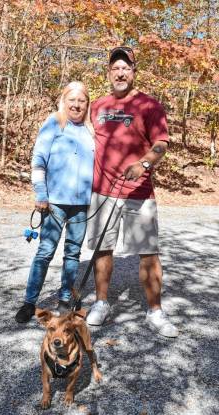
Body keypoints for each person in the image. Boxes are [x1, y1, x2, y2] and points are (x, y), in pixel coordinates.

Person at [86, 46, 179, 338]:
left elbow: (161, 144)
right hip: (103, 191)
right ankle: (101, 303)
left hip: (139, 191)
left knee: (148, 253)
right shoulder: (97, 106)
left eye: (126, 67)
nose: (121, 72)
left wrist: (144, 163)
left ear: (134, 71)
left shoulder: (149, 106)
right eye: (116, 67)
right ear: (109, 72)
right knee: (103, 249)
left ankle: (155, 311)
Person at [15, 81, 94, 323]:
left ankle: (64, 300)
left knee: (73, 254)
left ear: (87, 104)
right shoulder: (54, 122)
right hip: (54, 204)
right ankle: (29, 302)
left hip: (82, 205)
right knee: (45, 252)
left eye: (82, 100)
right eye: (72, 99)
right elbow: (38, 159)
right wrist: (41, 194)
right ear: (64, 101)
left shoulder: (91, 130)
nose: (77, 104)